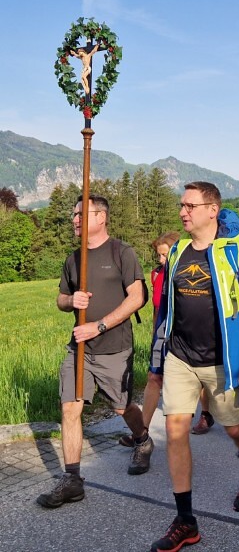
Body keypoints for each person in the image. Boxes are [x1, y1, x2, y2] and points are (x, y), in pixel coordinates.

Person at [150, 182, 239, 552]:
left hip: (221, 362)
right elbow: (165, 309)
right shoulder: (178, 251)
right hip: (180, 358)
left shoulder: (238, 254)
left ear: (212, 210)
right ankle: (186, 520)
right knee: (175, 431)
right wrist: (157, 357)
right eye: (181, 205)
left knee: (235, 430)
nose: (182, 212)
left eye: (190, 205)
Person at [37, 194, 150, 509]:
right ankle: (72, 479)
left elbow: (137, 297)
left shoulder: (121, 252)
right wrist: (70, 301)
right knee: (70, 408)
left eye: (81, 214)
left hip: (114, 347)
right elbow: (61, 299)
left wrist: (99, 326)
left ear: (101, 217)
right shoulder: (73, 259)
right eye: (74, 215)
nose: (75, 219)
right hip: (79, 349)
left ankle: (142, 440)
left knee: (121, 407)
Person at [119, 231, 180, 449]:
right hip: (161, 332)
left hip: (182, 332)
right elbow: (156, 307)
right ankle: (141, 432)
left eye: (165, 255)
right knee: (154, 377)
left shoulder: (185, 273)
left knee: (191, 380)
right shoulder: (156, 274)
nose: (161, 260)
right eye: (159, 255)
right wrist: (156, 334)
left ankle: (206, 414)